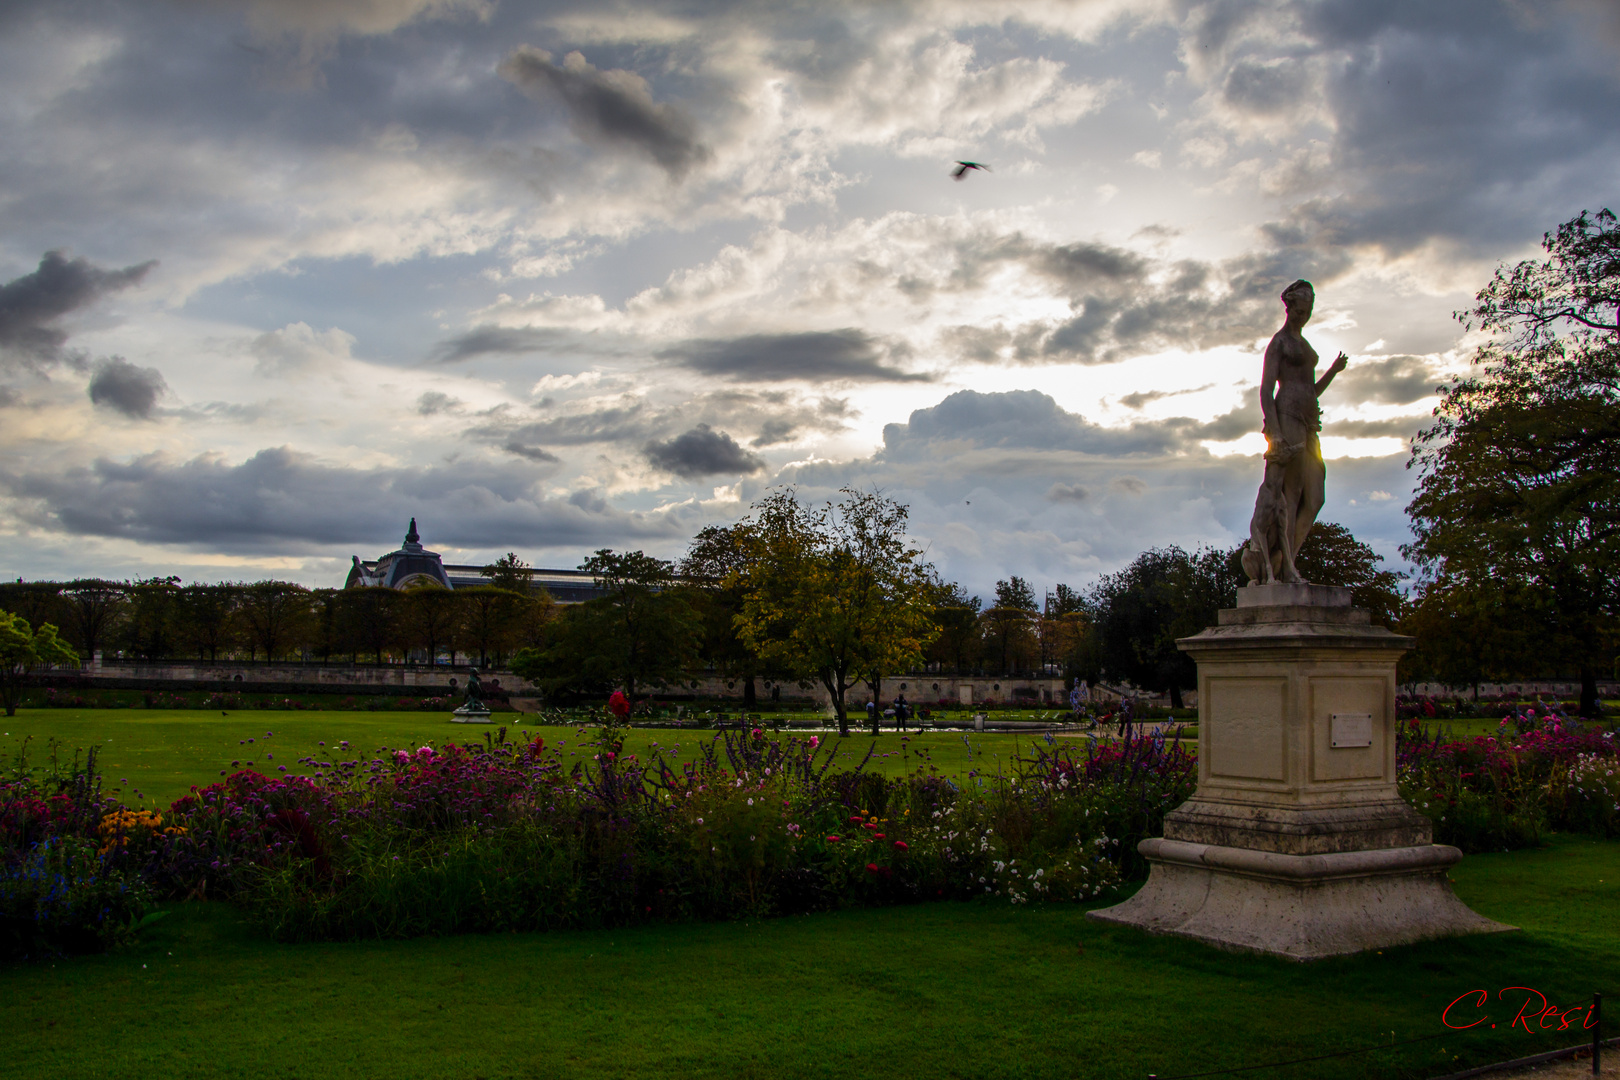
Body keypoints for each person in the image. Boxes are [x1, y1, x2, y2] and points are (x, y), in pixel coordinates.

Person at [1241, 279, 1349, 584]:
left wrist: (1332, 372)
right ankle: (1287, 568)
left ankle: (1288, 560)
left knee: (1315, 498)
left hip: (1308, 421)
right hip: (1286, 416)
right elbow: (1265, 390)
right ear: (1289, 308)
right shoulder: (1279, 343)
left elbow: (1311, 390)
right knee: (1291, 495)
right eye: (1300, 310)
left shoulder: (1304, 344)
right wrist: (1274, 433)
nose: (1303, 315)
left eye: (1308, 310)